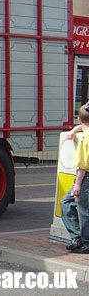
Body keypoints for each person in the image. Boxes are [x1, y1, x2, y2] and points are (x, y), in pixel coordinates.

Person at [62, 103, 89, 253]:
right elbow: (84, 125)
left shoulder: (85, 140)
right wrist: (74, 130)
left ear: (78, 119)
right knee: (71, 203)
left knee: (82, 210)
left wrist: (78, 185)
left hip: (85, 179)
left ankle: (84, 241)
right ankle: (79, 238)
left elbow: (83, 166)